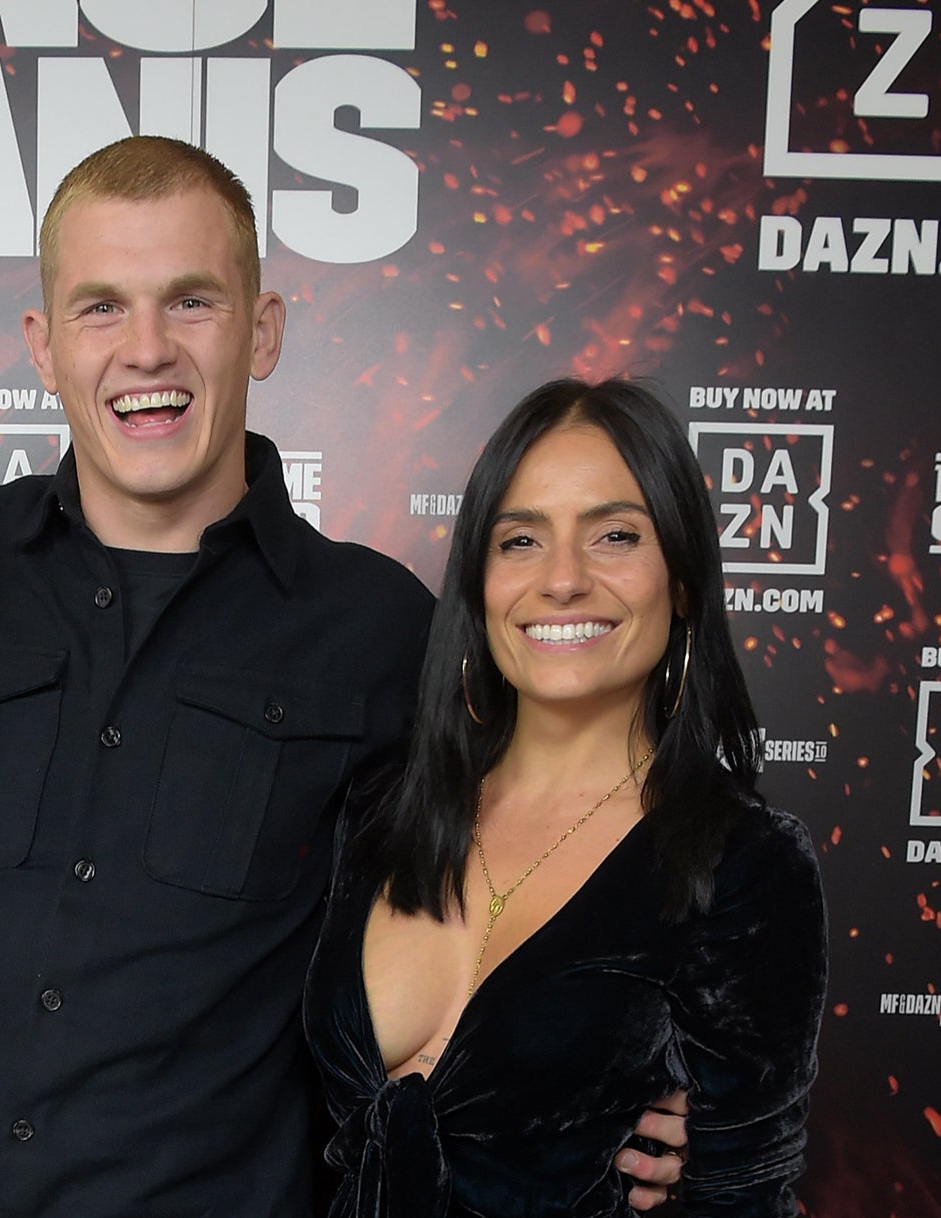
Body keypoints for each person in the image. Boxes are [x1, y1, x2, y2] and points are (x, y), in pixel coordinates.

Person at [0, 137, 689, 1216]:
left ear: (261, 332)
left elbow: (528, 870)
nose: (146, 349)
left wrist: (626, 1075)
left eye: (192, 302)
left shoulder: (379, 629)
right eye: (100, 308)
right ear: (42, 345)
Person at [303, 377, 829, 1215]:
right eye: (520, 541)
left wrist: (710, 1167)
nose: (562, 580)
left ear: (683, 581)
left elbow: (745, 1196)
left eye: (615, 535)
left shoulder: (746, 864)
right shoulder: (380, 809)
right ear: (480, 582)